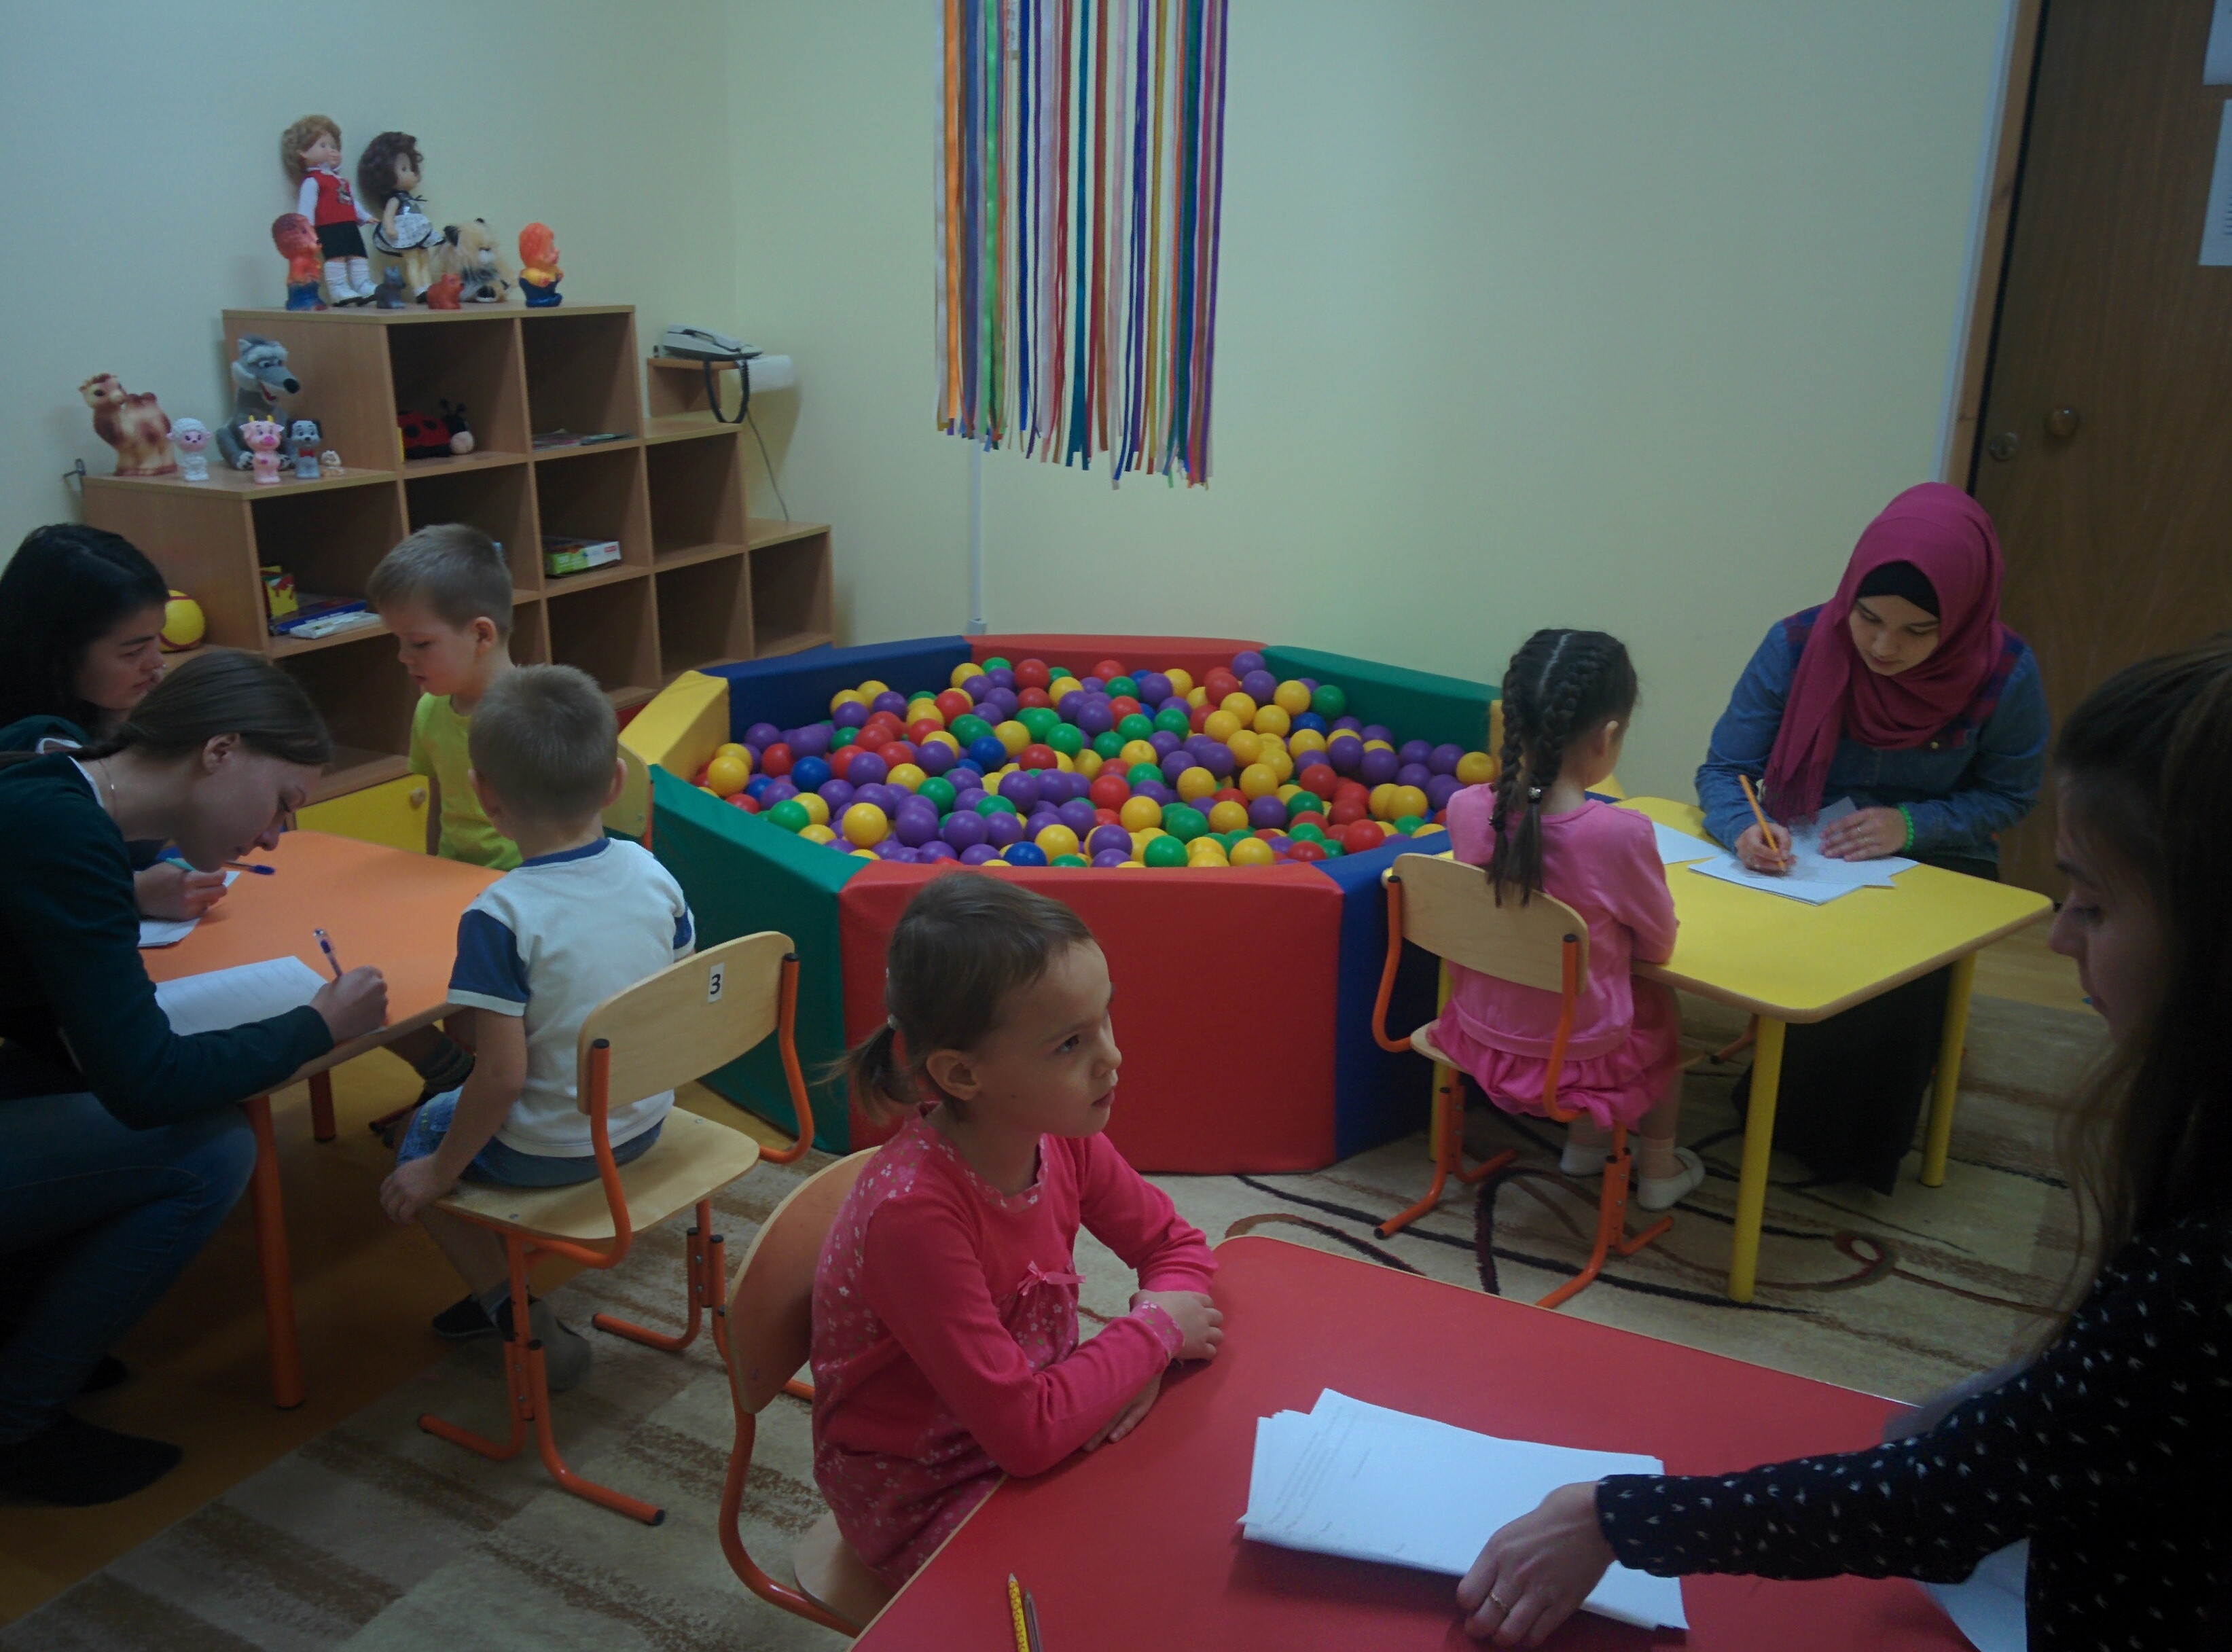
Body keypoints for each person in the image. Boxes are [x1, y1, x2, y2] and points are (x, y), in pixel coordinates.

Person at [1456, 637, 2232, 1649]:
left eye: (2090, 902)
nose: (2056, 937)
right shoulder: (1760, 684)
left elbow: (1948, 1494)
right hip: (1590, 1050)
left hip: (1489, 1043)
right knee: (1653, 1026)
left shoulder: (1468, 810)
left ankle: (1592, 1147)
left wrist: (1619, 1519)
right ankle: (1648, 1162)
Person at [0, 651, 388, 1505]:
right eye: (282, 800)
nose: (277, 834)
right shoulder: (65, 833)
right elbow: (146, 1086)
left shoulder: (52, 767)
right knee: (210, 1149)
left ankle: (24, 1324)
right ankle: (17, 1421)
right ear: (220, 750)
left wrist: (129, 890)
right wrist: (314, 1026)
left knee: (92, 1087)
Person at [811, 873, 1223, 1589]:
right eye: (1069, 1044)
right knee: (1134, 1578)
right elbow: (1025, 1434)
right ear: (961, 1074)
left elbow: (1174, 1246)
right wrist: (1155, 1335)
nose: (1111, 1056)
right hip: (923, 1493)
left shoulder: (1058, 1136)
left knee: (1200, 1497)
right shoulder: (913, 1218)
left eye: (1105, 1017)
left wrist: (1147, 1348)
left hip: (1038, 1424)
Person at [1695, 484, 2048, 1191]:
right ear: (1849, 596)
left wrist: (1911, 825)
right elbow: (1725, 769)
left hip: (1941, 852)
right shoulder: (1797, 644)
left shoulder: (2004, 672)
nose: (1885, 647)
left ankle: (1855, 1147)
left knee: (1893, 969)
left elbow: (2011, 796)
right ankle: (1782, 1105)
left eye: (1919, 631)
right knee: (1800, 956)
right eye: (1869, 619)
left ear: (1961, 617)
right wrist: (1745, 828)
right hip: (1808, 844)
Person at [374, 665, 694, 1390]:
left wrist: (438, 1171)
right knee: (476, 1088)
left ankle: (511, 1307)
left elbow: (502, 1076)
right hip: (645, 1120)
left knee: (416, 1139)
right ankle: (506, 1286)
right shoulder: (653, 873)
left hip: (551, 1148)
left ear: (484, 795)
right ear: (615, 782)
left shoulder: (499, 914)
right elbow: (673, 993)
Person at [1433, 630, 1702, 1208]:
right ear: (1607, 737)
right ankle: (1658, 1170)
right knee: (1661, 1006)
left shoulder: (1465, 809)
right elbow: (1658, 947)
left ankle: (1585, 1147)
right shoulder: (1619, 835)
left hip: (1479, 1035)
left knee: (1578, 987)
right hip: (1577, 1056)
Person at [363, 526, 520, 1153]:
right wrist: (429, 879)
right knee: (371, 983)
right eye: (399, 642)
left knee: (496, 1022)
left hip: (519, 900)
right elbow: (440, 805)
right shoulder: (432, 710)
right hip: (455, 892)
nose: (405, 659)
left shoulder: (530, 715)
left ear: (481, 635)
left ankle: (483, 1095)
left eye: (420, 643)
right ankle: (451, 1076)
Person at [0, 523, 229, 924]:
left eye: (157, 639)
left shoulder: (113, 705)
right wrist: (134, 891)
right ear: (58, 656)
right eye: (133, 652)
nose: (156, 664)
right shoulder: (28, 753)